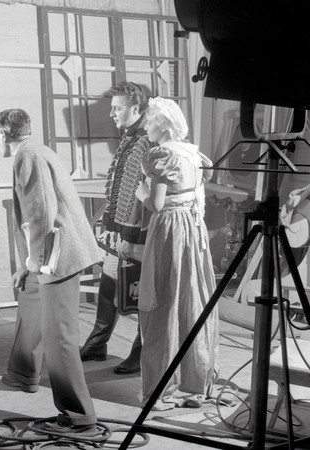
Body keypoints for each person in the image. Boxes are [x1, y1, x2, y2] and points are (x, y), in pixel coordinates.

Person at [0, 108, 103, 436]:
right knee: (31, 303)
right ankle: (23, 375)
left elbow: (41, 211)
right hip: (51, 252)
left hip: (58, 255)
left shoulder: (28, 156)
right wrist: (28, 264)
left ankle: (80, 417)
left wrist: (33, 261)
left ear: (4, 133)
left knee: (59, 336)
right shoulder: (35, 150)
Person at [136, 97, 219, 410]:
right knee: (192, 299)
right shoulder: (192, 151)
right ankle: (194, 383)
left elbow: (156, 204)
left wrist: (141, 192)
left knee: (163, 301)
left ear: (163, 124)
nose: (145, 126)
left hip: (171, 228)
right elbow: (205, 175)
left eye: (150, 121)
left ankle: (161, 390)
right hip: (193, 228)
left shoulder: (161, 154)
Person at [79, 81, 152, 375]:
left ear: (136, 108)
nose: (112, 114)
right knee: (108, 284)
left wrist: (128, 231)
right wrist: (111, 226)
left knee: (144, 295)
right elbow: (119, 187)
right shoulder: (129, 139)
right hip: (119, 229)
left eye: (117, 108)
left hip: (140, 233)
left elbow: (142, 193)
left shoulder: (150, 141)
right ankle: (97, 344)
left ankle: (140, 353)